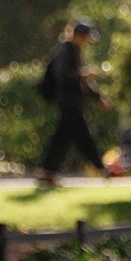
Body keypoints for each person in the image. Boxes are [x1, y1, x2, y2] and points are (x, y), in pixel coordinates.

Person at [35, 19, 107, 183]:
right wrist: (84, 74)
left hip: (73, 102)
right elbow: (64, 76)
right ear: (79, 36)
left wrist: (98, 97)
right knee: (82, 137)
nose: (88, 42)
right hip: (68, 102)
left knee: (63, 138)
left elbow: (84, 84)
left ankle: (46, 172)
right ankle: (102, 168)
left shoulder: (76, 51)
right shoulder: (65, 51)